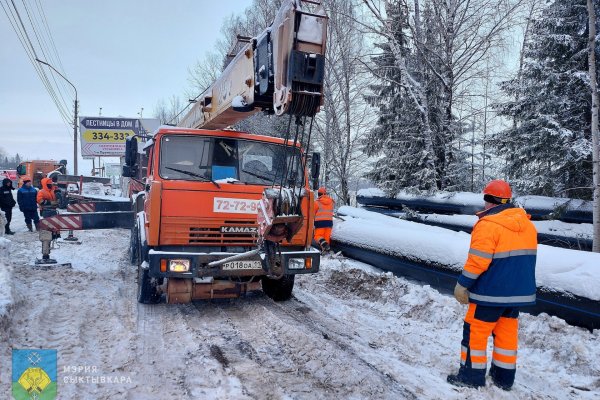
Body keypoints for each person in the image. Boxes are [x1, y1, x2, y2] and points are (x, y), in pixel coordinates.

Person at [447, 179, 537, 391]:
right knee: (506, 335)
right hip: (516, 295)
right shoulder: (527, 225)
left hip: (489, 294)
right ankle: (503, 379)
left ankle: (470, 377)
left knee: (475, 334)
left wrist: (463, 284)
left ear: (488, 199)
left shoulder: (488, 225)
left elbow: (478, 260)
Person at [313, 186, 334, 252]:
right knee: (326, 238)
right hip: (329, 222)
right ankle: (326, 251)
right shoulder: (331, 202)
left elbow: (313, 213)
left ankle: (325, 247)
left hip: (320, 223)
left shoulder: (316, 202)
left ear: (319, 194)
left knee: (317, 236)